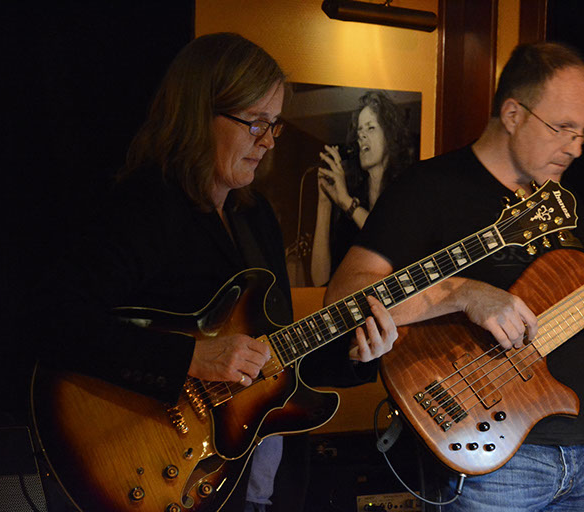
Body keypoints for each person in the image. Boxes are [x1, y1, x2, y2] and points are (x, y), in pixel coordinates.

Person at [324, 41, 584, 511]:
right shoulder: (428, 188)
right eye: (563, 128)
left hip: (577, 455)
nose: (575, 148)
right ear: (513, 113)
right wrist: (466, 293)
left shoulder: (562, 203)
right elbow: (345, 296)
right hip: (489, 460)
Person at [32, 33, 398, 512]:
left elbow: (276, 359)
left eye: (275, 125)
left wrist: (357, 351)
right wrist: (190, 356)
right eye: (255, 123)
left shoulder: (256, 216)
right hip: (157, 459)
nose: (267, 141)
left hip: (252, 480)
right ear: (198, 113)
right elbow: (54, 321)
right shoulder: (144, 208)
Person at [310, 90, 414, 286]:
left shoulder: (404, 191)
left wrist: (347, 204)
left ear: (390, 136)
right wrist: (324, 203)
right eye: (359, 131)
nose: (362, 136)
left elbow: (390, 243)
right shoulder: (353, 195)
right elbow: (320, 280)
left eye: (371, 128)